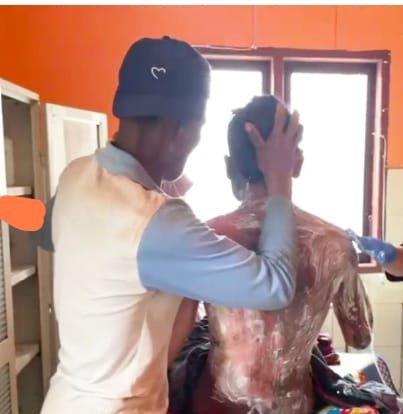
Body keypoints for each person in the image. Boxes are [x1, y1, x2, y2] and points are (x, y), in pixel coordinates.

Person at [32, 37, 302, 414]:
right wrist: (279, 180)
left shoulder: (76, 176)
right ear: (179, 131)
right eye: (199, 126)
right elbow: (275, 285)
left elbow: (47, 234)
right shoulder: (157, 221)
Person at [168, 95, 374, 414]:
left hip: (215, 405)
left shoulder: (207, 237)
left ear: (229, 166)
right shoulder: (335, 244)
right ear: (297, 162)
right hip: (293, 405)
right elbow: (359, 337)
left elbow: (175, 335)